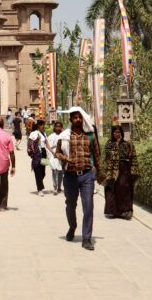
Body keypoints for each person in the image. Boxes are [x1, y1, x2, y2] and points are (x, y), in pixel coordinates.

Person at [55, 106, 101, 250]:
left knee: (88, 207)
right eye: (75, 117)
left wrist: (100, 172)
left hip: (87, 175)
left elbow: (97, 155)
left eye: (80, 117)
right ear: (70, 119)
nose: (78, 119)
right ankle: (72, 226)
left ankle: (87, 238)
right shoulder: (64, 136)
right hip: (70, 176)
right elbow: (56, 153)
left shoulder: (90, 136)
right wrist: (64, 158)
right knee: (70, 205)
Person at [101, 125, 139, 220]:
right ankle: (113, 211)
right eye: (115, 132)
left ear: (121, 133)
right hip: (112, 170)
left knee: (124, 188)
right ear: (112, 133)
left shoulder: (127, 144)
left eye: (118, 132)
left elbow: (132, 157)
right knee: (112, 188)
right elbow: (107, 156)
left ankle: (125, 211)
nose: (117, 134)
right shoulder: (109, 144)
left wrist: (134, 171)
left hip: (124, 169)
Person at [27, 119, 48, 194]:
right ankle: (40, 189)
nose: (43, 126)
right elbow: (29, 144)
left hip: (44, 153)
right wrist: (36, 140)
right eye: (42, 125)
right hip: (37, 154)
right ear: (38, 125)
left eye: (43, 125)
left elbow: (47, 143)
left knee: (43, 172)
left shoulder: (44, 133)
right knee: (37, 171)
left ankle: (39, 183)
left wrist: (52, 152)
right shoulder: (33, 133)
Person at [44, 120, 64, 194]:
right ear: (54, 127)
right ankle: (55, 187)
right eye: (57, 126)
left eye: (60, 126)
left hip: (61, 156)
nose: (58, 128)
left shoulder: (63, 135)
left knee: (61, 172)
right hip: (53, 155)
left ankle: (59, 187)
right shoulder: (51, 136)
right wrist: (53, 153)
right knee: (54, 171)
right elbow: (48, 145)